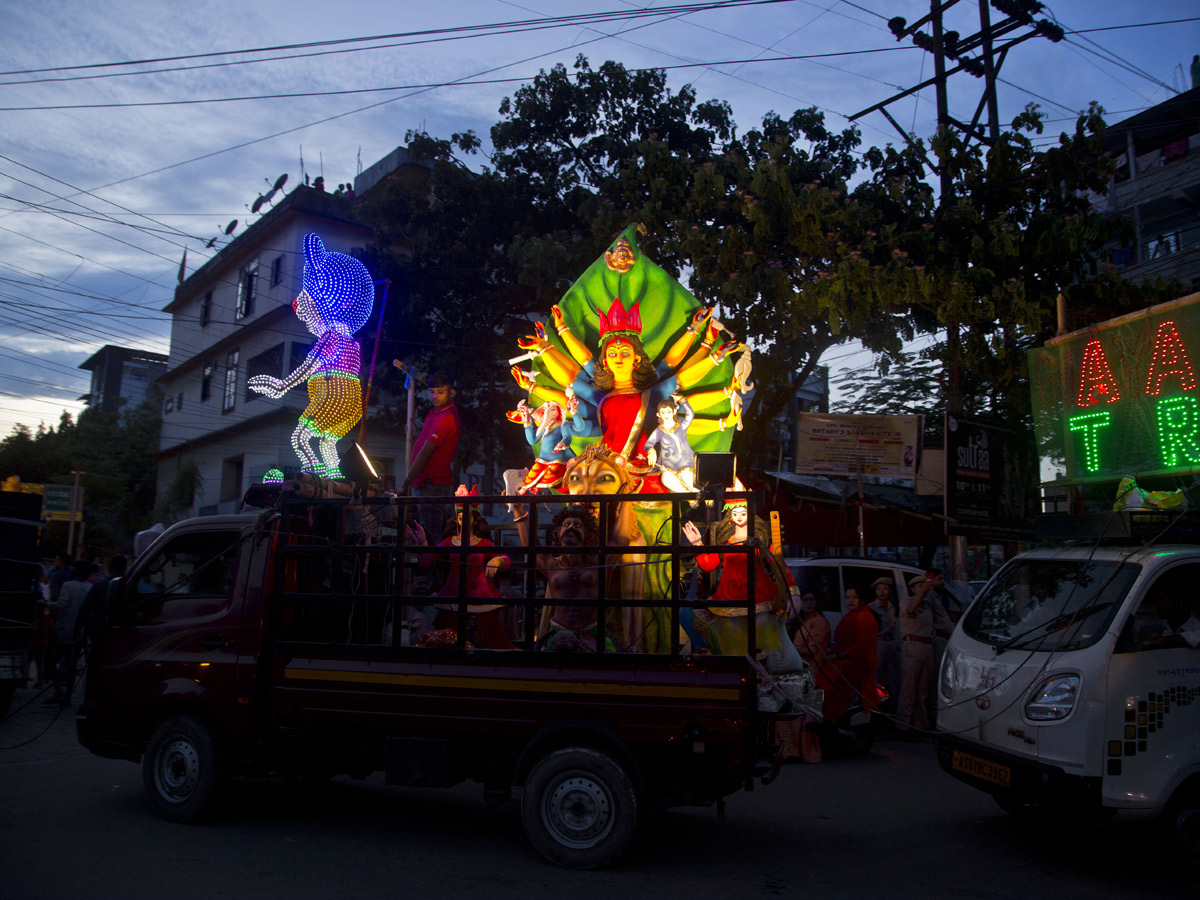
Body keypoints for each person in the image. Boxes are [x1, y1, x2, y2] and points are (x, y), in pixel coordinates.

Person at [248, 233, 375, 478]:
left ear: (323, 302)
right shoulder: (352, 342)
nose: (305, 321)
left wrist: (283, 385)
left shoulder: (331, 337)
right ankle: (333, 476)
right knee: (328, 442)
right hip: (352, 402)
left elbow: (310, 364)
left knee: (300, 438)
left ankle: (314, 473)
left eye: (306, 314)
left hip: (333, 394)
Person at [682, 496, 801, 671]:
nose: (738, 516)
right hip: (729, 597)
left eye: (743, 513)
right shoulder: (726, 540)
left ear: (750, 515)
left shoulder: (759, 540)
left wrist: (793, 591)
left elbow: (778, 565)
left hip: (760, 597)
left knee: (763, 642)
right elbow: (708, 564)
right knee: (729, 642)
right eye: (735, 512)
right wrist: (698, 544)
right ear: (730, 515)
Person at [414, 487, 513, 650]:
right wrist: (422, 543)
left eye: (467, 516)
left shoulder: (482, 543)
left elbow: (506, 558)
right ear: (457, 520)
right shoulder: (449, 542)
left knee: (488, 637)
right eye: (460, 517)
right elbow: (426, 561)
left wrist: (497, 561)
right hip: (453, 596)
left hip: (480, 597)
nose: (463, 520)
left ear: (474, 520)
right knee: (447, 638)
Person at [513, 501, 617, 652]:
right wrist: (518, 510)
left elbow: (620, 541)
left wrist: (627, 503)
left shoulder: (597, 563)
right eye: (566, 524)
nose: (571, 528)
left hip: (592, 633)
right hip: (558, 633)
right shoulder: (551, 563)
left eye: (577, 525)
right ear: (557, 533)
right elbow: (531, 546)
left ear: (587, 534)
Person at [401, 372, 461, 548]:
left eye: (440, 392)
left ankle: (435, 573)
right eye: (432, 391)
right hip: (425, 483)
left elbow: (426, 453)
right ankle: (432, 571)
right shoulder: (437, 413)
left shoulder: (446, 418)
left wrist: (406, 481)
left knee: (431, 536)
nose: (435, 396)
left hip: (433, 485)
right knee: (426, 533)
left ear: (451, 392)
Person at [779, 592, 831, 763]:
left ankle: (798, 751)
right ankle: (789, 749)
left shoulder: (819, 622)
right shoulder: (803, 621)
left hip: (809, 673)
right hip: (796, 671)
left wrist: (785, 650)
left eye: (812, 599)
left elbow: (812, 650)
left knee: (797, 712)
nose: (809, 603)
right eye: (805, 600)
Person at [816, 586, 878, 724]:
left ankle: (830, 720)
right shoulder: (851, 615)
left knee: (826, 682)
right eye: (847, 597)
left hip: (854, 664)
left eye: (854, 597)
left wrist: (836, 656)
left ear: (862, 599)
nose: (850, 601)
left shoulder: (865, 617)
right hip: (843, 659)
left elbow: (860, 647)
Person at [40, 561, 94, 705]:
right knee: (71, 665)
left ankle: (59, 691)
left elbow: (62, 604)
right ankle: (67, 696)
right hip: (79, 633)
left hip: (63, 630)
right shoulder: (89, 588)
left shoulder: (68, 586)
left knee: (51, 661)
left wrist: (46, 605)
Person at [897, 575, 935, 738]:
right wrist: (922, 592)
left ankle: (920, 725)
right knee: (908, 689)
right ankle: (903, 726)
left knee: (922, 691)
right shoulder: (907, 601)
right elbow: (911, 610)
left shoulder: (927, 604)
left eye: (923, 585)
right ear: (913, 589)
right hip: (912, 645)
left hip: (926, 646)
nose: (922, 588)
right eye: (918, 586)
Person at [644, 394, 698, 493]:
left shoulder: (681, 426)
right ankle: (690, 499)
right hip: (668, 465)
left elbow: (690, 415)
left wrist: (682, 400)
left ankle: (704, 496)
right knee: (666, 480)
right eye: (663, 412)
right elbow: (649, 443)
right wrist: (651, 451)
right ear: (658, 415)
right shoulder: (659, 430)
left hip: (685, 463)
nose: (666, 415)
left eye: (669, 412)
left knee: (687, 477)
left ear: (674, 412)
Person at [868, 576, 900, 717]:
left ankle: (892, 715)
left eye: (885, 588)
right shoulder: (871, 608)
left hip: (891, 644)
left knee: (893, 681)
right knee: (877, 680)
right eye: (879, 588)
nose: (882, 592)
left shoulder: (892, 607)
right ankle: (875, 714)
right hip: (878, 643)